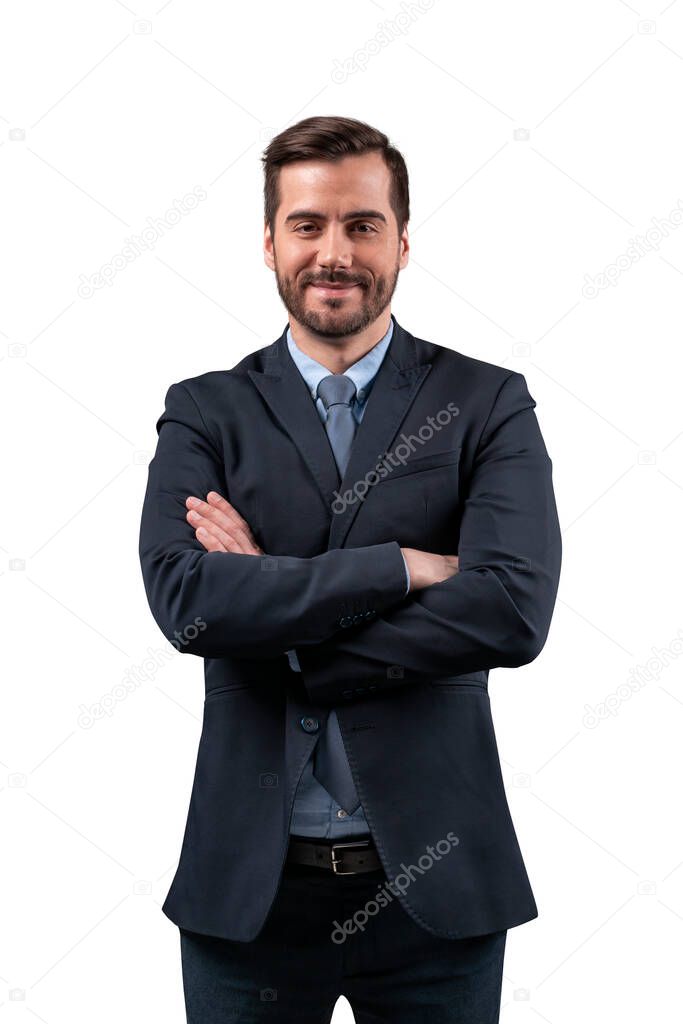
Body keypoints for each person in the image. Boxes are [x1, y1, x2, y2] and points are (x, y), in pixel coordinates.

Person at [138, 114, 562, 1023]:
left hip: (436, 893)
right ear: (268, 241)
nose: (335, 252)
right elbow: (187, 604)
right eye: (308, 224)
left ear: (402, 240)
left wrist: (279, 618)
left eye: (362, 225)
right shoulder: (205, 411)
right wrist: (401, 567)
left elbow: (514, 611)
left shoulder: (484, 402)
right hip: (249, 897)